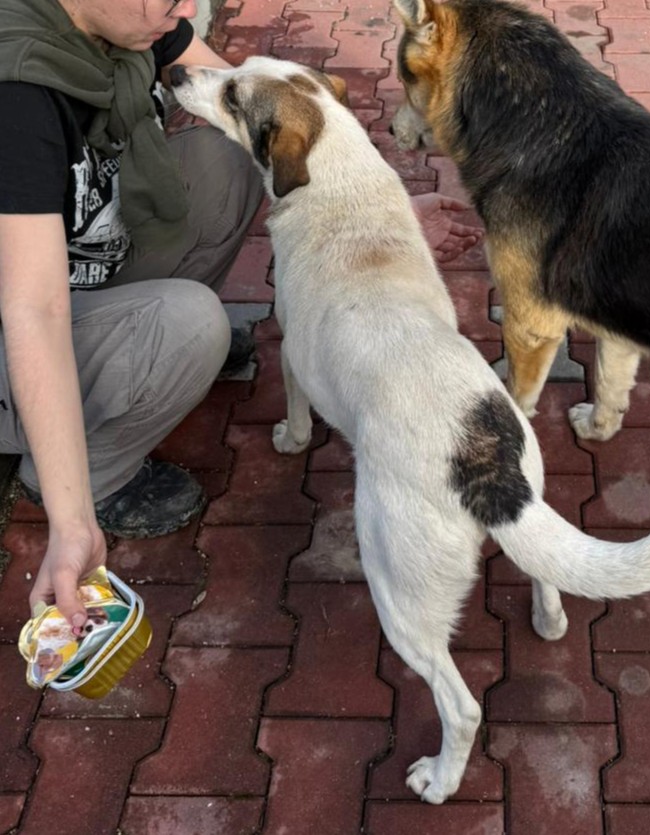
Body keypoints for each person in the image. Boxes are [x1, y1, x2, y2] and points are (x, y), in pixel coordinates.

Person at [0, 0, 483, 634]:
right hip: (16, 338)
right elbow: (33, 311)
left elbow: (267, 108)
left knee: (229, 152)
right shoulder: (17, 98)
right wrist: (71, 523)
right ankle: (91, 470)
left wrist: (381, 211)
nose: (186, 9)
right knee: (191, 326)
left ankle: (150, 343)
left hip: (82, 264)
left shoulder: (124, 19)